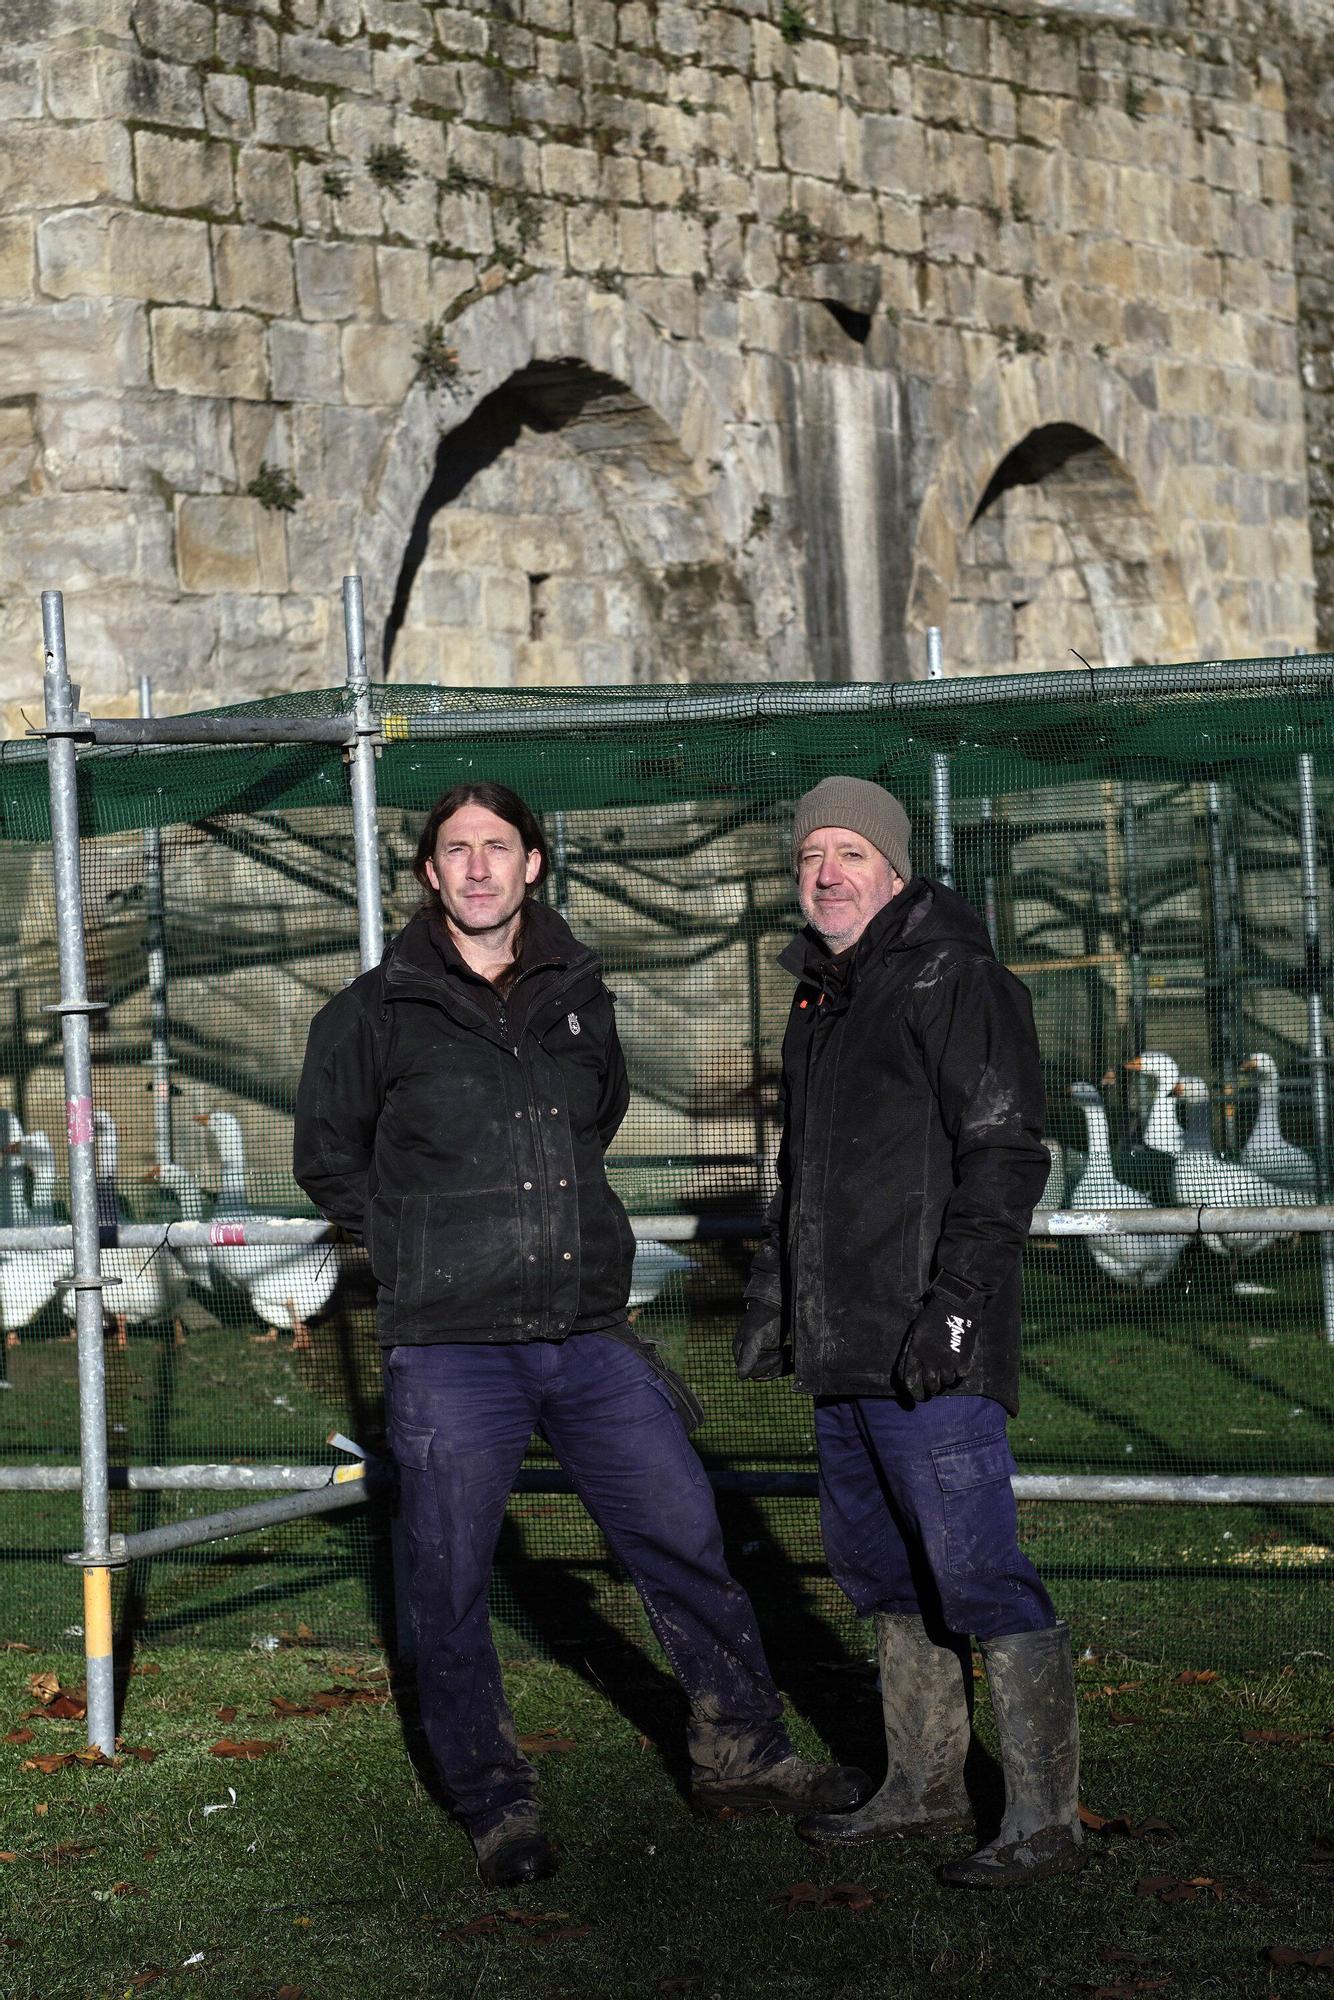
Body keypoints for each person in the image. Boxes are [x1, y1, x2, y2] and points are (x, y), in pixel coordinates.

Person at [293, 781, 866, 1890]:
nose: (474, 868)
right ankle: (494, 1799)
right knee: (450, 1576)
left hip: (584, 1330)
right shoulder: (370, 1012)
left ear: (533, 864)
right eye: (453, 850)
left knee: (682, 1535)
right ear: (427, 874)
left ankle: (739, 1749)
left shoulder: (577, 993)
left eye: (494, 848)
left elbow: (590, 1116)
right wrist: (418, 1245)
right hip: (451, 1345)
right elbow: (330, 1159)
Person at [735, 775, 1083, 1887]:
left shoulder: (952, 976)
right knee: (879, 1570)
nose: (824, 874)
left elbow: (1003, 1153)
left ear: (891, 867)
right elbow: (807, 1180)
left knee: (977, 1571)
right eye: (808, 857)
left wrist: (958, 1308)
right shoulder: (821, 998)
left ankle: (1039, 1814)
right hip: (845, 1347)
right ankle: (921, 1781)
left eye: (847, 852)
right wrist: (778, 1301)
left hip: (929, 1345)